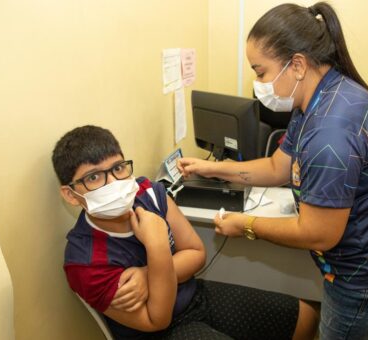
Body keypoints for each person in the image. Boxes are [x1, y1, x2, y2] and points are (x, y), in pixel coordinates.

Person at [177, 2, 368, 339]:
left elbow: (319, 233)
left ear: (296, 64)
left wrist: (246, 225)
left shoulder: (330, 132)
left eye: (261, 71)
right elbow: (277, 166)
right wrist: (215, 169)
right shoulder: (318, 98)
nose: (258, 83)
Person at [51, 125, 318, 340]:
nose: (114, 183)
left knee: (305, 317)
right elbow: (157, 320)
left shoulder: (148, 193)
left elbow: (196, 253)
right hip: (158, 331)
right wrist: (156, 246)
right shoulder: (84, 261)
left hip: (193, 295)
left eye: (118, 168)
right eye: (94, 177)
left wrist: (147, 276)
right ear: (71, 195)